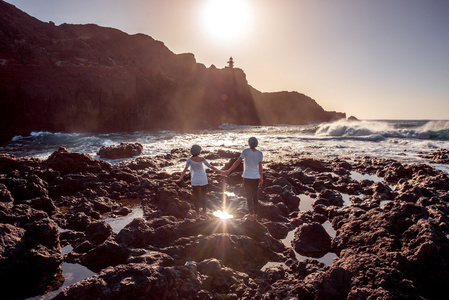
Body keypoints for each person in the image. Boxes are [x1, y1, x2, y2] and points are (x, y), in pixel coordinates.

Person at [173, 144, 223, 218]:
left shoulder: (189, 160)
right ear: (198, 151)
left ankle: (197, 214)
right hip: (203, 179)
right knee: (203, 196)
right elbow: (211, 167)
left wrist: (180, 179)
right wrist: (221, 171)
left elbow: (184, 170)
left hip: (195, 180)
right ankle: (204, 212)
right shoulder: (202, 159)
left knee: (196, 197)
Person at [223, 137, 263, 220]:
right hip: (255, 177)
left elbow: (238, 161)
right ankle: (255, 215)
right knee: (255, 196)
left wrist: (229, 170)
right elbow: (260, 166)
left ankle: (250, 214)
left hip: (247, 177)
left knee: (249, 196)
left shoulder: (245, 151)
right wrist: (261, 177)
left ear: (249, 143)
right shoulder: (260, 153)